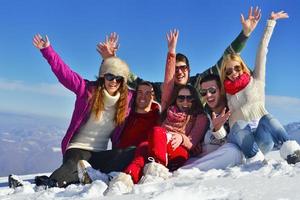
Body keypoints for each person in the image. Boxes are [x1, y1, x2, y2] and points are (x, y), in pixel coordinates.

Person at [9, 34, 136, 189]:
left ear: (123, 81)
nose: (114, 81)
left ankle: (90, 175)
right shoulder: (87, 90)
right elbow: (65, 74)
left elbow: (149, 91)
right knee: (72, 166)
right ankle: (37, 185)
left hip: (99, 154)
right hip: (77, 149)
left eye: (119, 78)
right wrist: (47, 51)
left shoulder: (127, 99)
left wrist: (111, 57)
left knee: (131, 152)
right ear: (103, 76)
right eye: (110, 76)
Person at [104, 30, 209, 195]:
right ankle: (125, 179)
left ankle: (156, 174)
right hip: (157, 144)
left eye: (189, 99)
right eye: (181, 98)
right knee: (142, 149)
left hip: (177, 150)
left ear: (195, 99)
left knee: (155, 132)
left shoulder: (199, 116)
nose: (185, 101)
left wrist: (181, 137)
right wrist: (112, 59)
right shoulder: (169, 105)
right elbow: (165, 82)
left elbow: (192, 142)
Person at [97, 7, 262, 103]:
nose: (179, 72)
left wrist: (244, 34)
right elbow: (133, 80)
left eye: (183, 68)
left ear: (189, 70)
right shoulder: (163, 89)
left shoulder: (199, 83)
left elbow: (226, 58)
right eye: (175, 69)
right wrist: (111, 60)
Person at [220, 11, 300, 165]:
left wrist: (271, 22)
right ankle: (254, 160)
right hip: (241, 141)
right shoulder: (226, 91)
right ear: (224, 73)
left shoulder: (256, 80)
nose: (233, 73)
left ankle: (293, 154)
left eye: (236, 68)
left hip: (262, 139)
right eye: (228, 71)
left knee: (268, 118)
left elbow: (262, 50)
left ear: (242, 67)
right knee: (240, 124)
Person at [77, 81, 161, 184]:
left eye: (148, 93)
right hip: (116, 154)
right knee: (88, 157)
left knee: (132, 150)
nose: (143, 96)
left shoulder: (157, 117)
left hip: (137, 158)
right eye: (140, 92)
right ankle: (86, 175)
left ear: (154, 97)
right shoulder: (126, 114)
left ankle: (104, 177)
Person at [182, 74, 243, 170]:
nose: (208, 95)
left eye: (212, 90)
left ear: (221, 90)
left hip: (226, 157)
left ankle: (187, 171)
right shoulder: (202, 115)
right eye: (203, 92)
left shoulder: (234, 111)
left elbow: (235, 141)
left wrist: (218, 129)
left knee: (233, 151)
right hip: (200, 159)